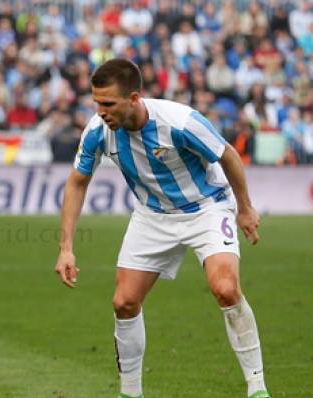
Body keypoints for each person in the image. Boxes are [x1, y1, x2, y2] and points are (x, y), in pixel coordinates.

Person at [54, 59, 269, 398]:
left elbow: (227, 155)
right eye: (97, 103)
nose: (101, 111)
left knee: (225, 288)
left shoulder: (179, 121)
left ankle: (257, 388)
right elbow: (77, 183)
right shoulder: (98, 130)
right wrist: (66, 248)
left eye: (108, 103)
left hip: (206, 208)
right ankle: (130, 393)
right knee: (124, 302)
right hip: (152, 215)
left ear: (134, 98)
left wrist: (244, 207)